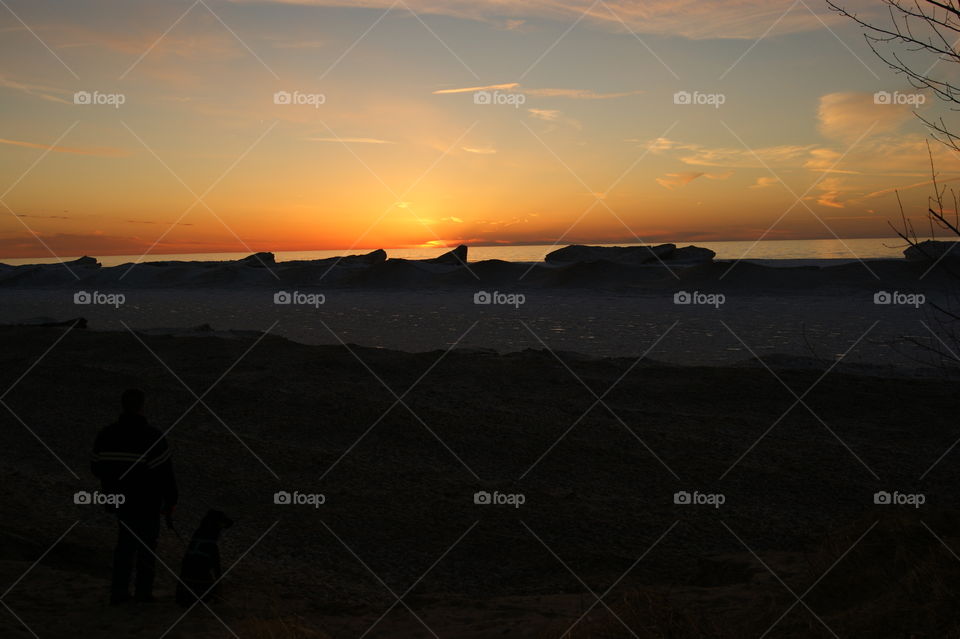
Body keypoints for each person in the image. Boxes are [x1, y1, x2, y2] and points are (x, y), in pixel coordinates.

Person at [91, 388, 178, 604]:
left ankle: (119, 592)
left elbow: (96, 467)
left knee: (125, 544)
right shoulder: (152, 436)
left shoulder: (106, 434)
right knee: (147, 546)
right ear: (141, 406)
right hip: (147, 501)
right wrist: (171, 501)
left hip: (120, 500)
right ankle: (143, 593)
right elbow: (165, 474)